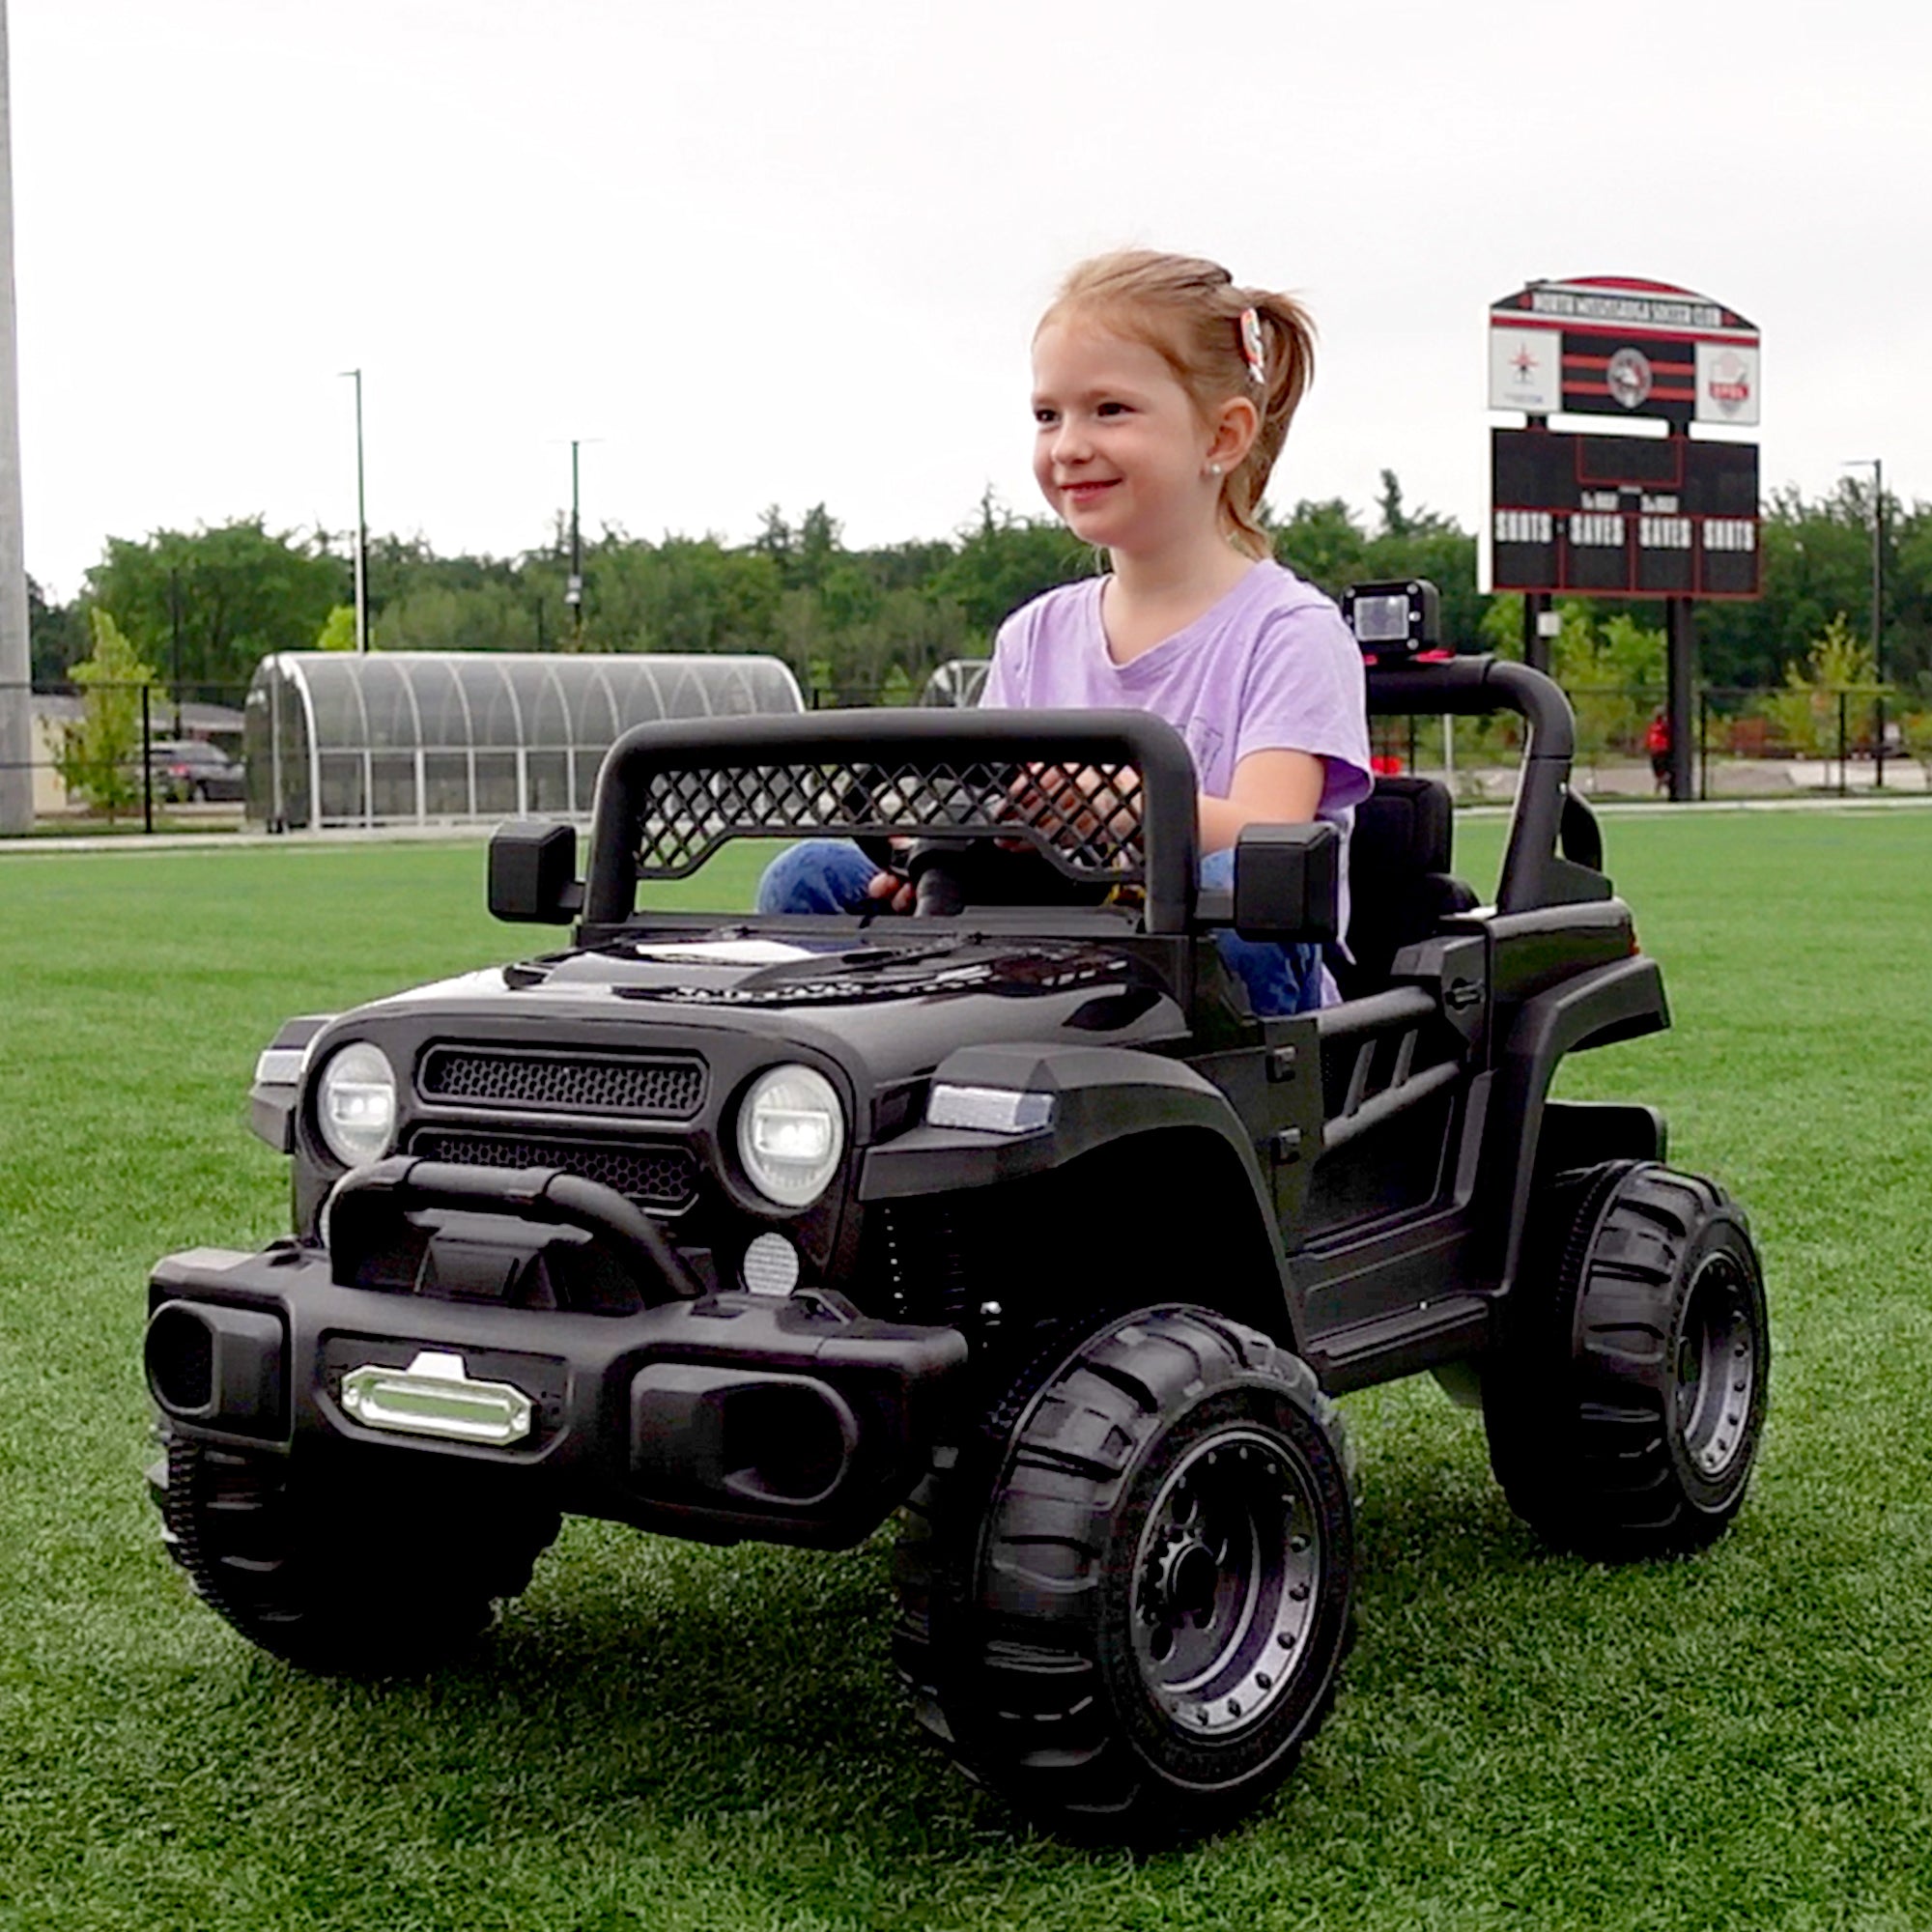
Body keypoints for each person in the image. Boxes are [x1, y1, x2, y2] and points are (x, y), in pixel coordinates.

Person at [757, 248, 1373, 1014]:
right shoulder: (1034, 634)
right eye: (1049, 415)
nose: (1069, 444)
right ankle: (847, 1094)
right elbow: (986, 809)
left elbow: (1272, 834)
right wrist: (929, 859)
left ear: (1222, 437)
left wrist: (1129, 804)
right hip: (1048, 931)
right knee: (804, 876)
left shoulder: (1289, 630)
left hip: (1230, 980)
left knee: (1239, 883)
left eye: (1109, 410)